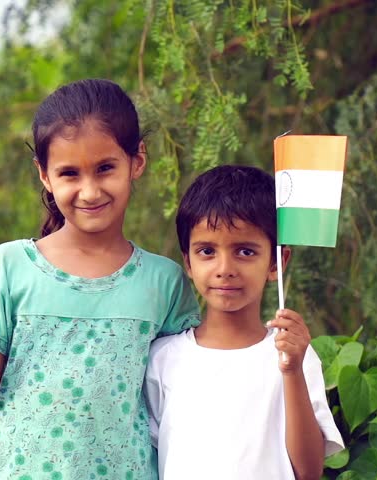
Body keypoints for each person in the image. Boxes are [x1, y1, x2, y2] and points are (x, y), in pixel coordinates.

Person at [0, 78, 200, 478]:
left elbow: (181, 405)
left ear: (137, 161)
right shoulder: (9, 267)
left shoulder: (165, 283)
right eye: (70, 174)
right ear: (44, 175)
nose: (90, 191)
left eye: (105, 168)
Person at [144, 165, 344, 480]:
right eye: (207, 251)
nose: (225, 268)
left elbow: (308, 472)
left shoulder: (293, 357)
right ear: (188, 261)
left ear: (277, 262)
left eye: (245, 251)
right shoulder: (163, 359)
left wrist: (291, 371)